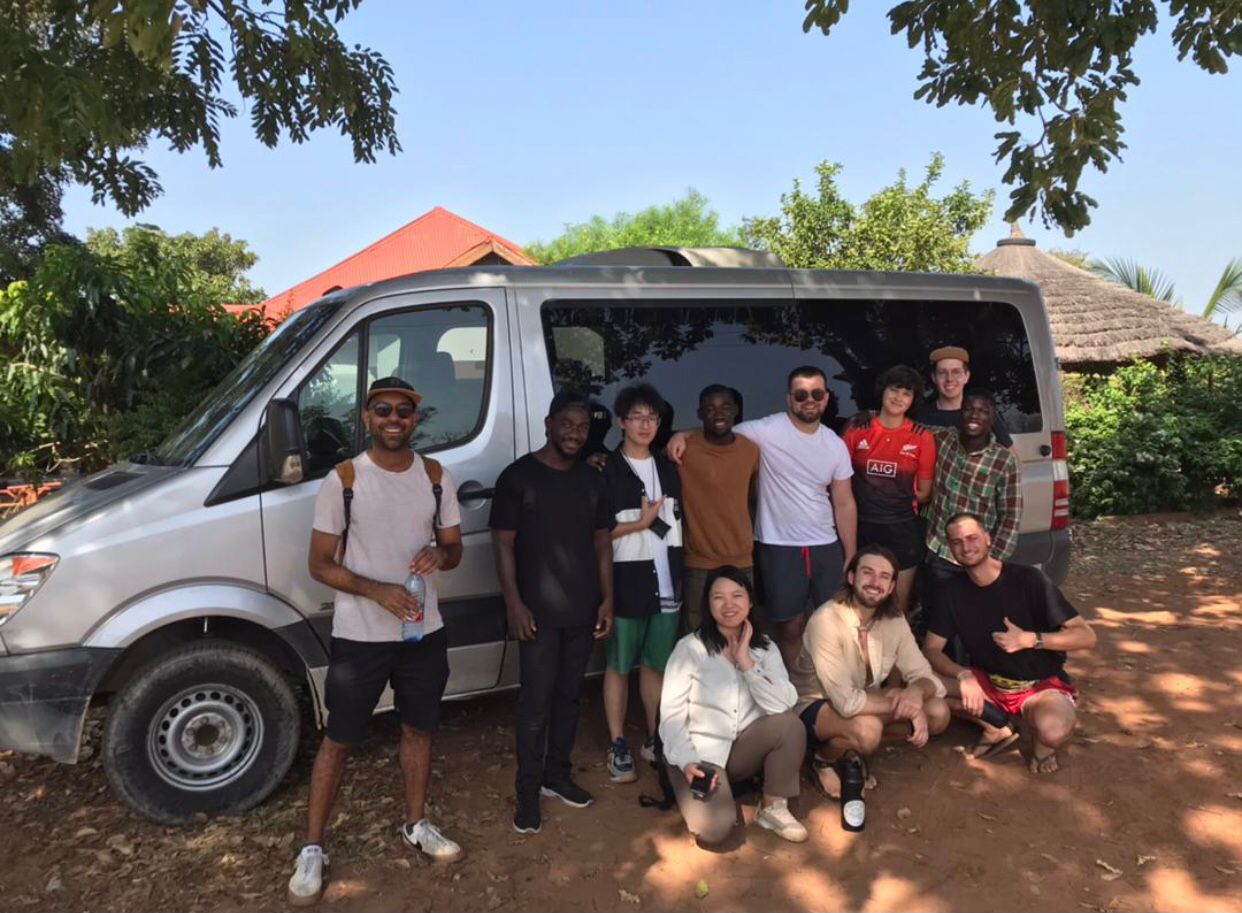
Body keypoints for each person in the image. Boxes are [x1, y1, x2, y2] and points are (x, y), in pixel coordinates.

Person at [288, 377, 465, 907]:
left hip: (422, 632)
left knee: (418, 730)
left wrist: (440, 555)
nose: (394, 418)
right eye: (383, 409)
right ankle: (312, 848)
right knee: (340, 740)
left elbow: (454, 548)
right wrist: (377, 591)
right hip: (360, 636)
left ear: (415, 418)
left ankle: (416, 824)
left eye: (403, 410)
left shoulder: (435, 476)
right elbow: (320, 565)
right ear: (366, 418)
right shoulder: (344, 480)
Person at [670, 366, 857, 669]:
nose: (809, 400)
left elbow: (844, 502)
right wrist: (683, 434)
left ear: (826, 398)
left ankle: (823, 683)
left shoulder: (835, 444)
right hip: (778, 544)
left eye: (816, 393)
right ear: (789, 399)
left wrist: (850, 552)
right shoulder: (765, 430)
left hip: (825, 544)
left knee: (832, 623)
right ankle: (791, 685)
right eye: (801, 394)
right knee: (789, 626)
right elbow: (718, 426)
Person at [490, 390, 615, 835]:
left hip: (582, 608)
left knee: (568, 698)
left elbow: (602, 543)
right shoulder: (518, 477)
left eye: (581, 427)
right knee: (535, 703)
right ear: (548, 424)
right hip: (537, 615)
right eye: (566, 424)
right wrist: (514, 603)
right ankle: (527, 793)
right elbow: (502, 544)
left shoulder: (591, 480)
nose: (574, 434)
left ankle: (556, 776)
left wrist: (607, 598)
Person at [924, 513, 1097, 773]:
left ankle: (1042, 742)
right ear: (950, 548)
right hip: (988, 683)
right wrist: (963, 675)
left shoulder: (1028, 579)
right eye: (957, 542)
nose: (966, 547)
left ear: (987, 538)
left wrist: (1031, 639)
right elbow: (931, 649)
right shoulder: (951, 591)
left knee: (1052, 731)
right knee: (923, 689)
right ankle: (995, 725)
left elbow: (1086, 636)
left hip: (1038, 686)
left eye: (972, 538)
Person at [659, 566, 809, 846]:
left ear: (750, 602)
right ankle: (699, 792)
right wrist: (686, 760)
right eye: (719, 597)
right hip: (699, 755)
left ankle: (773, 807)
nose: (729, 604)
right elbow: (671, 717)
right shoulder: (689, 649)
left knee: (790, 725)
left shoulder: (765, 648)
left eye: (737, 596)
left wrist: (746, 663)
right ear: (708, 604)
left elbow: (784, 703)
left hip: (742, 750)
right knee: (714, 832)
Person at [792, 546, 949, 798]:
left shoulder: (894, 619)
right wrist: (908, 707)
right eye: (867, 573)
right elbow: (846, 703)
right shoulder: (826, 620)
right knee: (868, 731)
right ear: (851, 577)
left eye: (884, 577)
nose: (875, 583)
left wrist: (916, 693)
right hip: (816, 704)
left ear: (891, 586)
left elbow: (925, 675)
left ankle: (851, 749)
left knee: (938, 713)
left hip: (864, 700)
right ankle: (823, 759)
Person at [600, 383, 684, 783]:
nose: (646, 425)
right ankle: (618, 742)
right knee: (618, 665)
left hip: (667, 582)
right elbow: (596, 532)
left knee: (656, 664)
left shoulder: (668, 466)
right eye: (637, 417)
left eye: (653, 417)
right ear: (621, 422)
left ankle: (655, 736)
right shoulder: (607, 470)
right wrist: (641, 523)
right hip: (625, 581)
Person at [841, 365, 936, 615]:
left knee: (896, 606)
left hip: (901, 529)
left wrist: (892, 499)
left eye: (907, 393)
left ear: (913, 399)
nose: (898, 398)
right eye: (894, 390)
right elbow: (839, 482)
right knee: (858, 601)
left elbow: (924, 492)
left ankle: (894, 642)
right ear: (882, 391)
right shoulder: (857, 428)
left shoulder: (921, 436)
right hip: (861, 526)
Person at [922, 390, 1022, 623]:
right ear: (960, 413)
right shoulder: (943, 439)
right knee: (936, 620)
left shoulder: (1003, 461)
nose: (974, 416)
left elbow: (1011, 516)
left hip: (977, 559)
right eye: (969, 409)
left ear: (993, 418)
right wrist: (869, 415)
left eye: (983, 411)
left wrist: (991, 561)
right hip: (940, 553)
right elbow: (906, 426)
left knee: (975, 623)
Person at [678, 384, 760, 632]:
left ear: (735, 411)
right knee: (695, 634)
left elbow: (752, 498)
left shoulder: (750, 450)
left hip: (741, 557)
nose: (718, 414)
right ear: (699, 414)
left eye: (725, 407)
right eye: (710, 409)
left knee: (742, 630)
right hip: (699, 560)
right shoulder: (683, 450)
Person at [914, 346, 1013, 447]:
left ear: (966, 376)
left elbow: (1011, 455)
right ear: (934, 378)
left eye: (956, 372)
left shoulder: (986, 413)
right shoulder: (920, 418)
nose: (949, 379)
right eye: (942, 373)